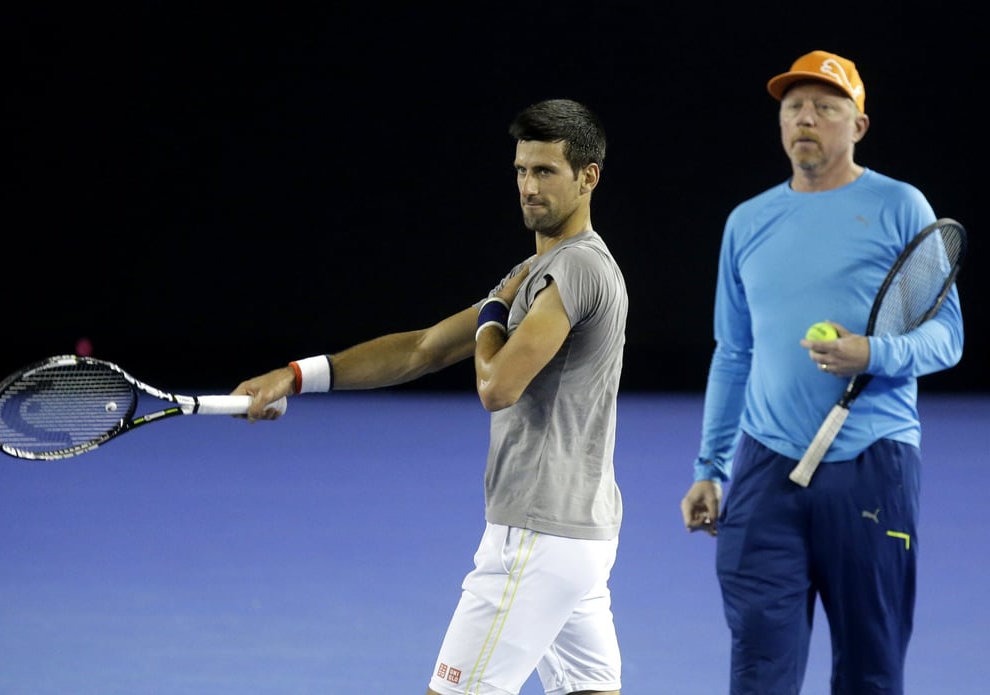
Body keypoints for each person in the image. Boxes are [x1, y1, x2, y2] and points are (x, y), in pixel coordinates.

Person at [233, 98, 627, 695]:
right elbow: (422, 348)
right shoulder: (543, 270)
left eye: (545, 171)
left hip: (535, 535)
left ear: (588, 176)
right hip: (579, 535)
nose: (527, 187)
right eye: (521, 171)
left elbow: (496, 386)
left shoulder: (570, 271)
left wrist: (493, 314)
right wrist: (297, 375)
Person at [680, 50, 964, 694]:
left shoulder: (900, 206)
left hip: (873, 464)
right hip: (764, 469)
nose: (806, 118)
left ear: (857, 126)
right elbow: (734, 353)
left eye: (826, 107)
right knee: (759, 670)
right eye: (793, 107)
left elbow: (949, 336)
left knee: (871, 671)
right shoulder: (746, 221)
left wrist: (875, 354)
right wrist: (709, 468)